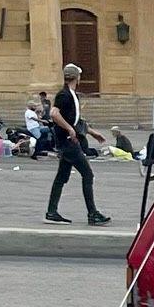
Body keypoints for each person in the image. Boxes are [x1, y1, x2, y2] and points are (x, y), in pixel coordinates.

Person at [45, 63, 109, 225]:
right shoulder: (64, 95)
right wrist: (69, 129)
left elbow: (76, 120)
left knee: (62, 177)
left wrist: (92, 132)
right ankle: (92, 213)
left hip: (67, 141)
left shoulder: (72, 95)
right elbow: (54, 113)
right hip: (67, 142)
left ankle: (51, 212)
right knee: (87, 174)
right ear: (77, 77)